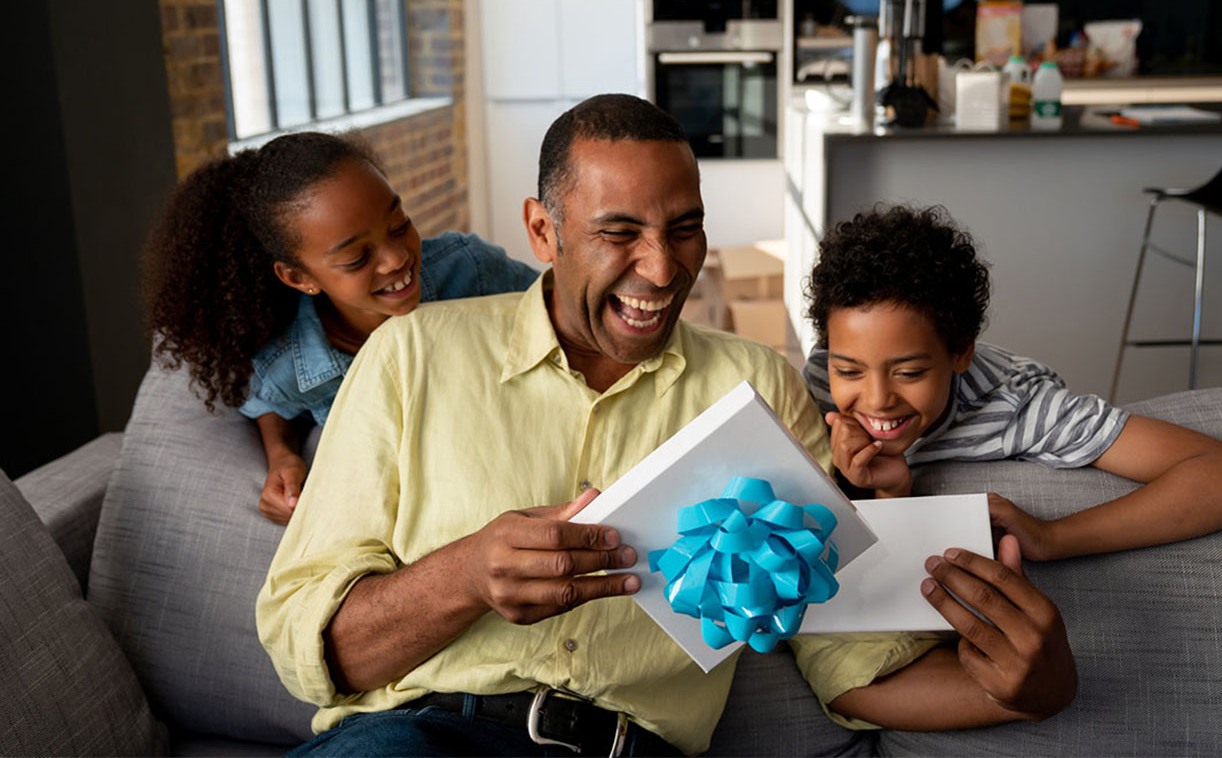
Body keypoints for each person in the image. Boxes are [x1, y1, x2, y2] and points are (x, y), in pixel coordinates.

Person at [256, 96, 1077, 757]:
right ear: (542, 231)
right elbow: (308, 649)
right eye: (619, 233)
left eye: (684, 228)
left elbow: (844, 660)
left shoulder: (756, 385)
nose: (662, 267)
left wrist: (1027, 693)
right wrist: (464, 576)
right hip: (419, 739)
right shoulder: (411, 356)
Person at [803, 205, 1222, 560]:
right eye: (849, 370)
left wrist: (1054, 537)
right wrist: (879, 490)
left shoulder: (1019, 405)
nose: (877, 399)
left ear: (960, 352)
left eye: (909, 373)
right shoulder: (816, 388)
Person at [142, 132, 539, 525]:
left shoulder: (470, 270)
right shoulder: (293, 363)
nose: (396, 258)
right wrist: (282, 454)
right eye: (357, 257)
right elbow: (270, 403)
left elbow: (557, 310)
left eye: (399, 224)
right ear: (299, 278)